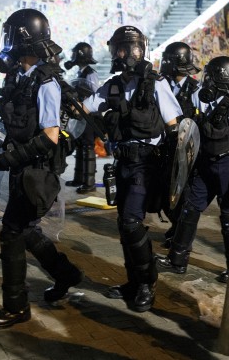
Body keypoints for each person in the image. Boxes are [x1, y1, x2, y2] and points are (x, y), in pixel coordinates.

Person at [0, 8, 83, 330]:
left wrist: (7, 159)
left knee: (12, 231)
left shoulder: (46, 82)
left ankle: (16, 307)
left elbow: (51, 136)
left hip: (37, 172)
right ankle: (66, 274)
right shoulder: (21, 77)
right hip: (22, 168)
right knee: (26, 230)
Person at [82, 25, 182, 312]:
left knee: (131, 222)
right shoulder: (112, 85)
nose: (125, 54)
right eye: (120, 49)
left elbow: (175, 126)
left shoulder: (156, 83)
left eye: (130, 48)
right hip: (123, 162)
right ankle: (132, 282)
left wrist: (171, 172)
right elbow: (84, 107)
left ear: (141, 50)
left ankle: (147, 284)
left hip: (146, 164)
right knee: (123, 224)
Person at [156, 55, 229, 284]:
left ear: (219, 79)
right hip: (205, 165)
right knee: (189, 209)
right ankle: (177, 260)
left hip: (227, 167)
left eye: (209, 77)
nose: (205, 80)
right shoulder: (202, 100)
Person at [158, 41, 202, 248]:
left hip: (185, 149)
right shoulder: (160, 84)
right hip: (163, 147)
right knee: (164, 192)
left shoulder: (195, 89)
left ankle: (180, 234)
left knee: (183, 193)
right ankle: (176, 226)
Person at [64, 42, 100, 193]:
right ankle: (79, 179)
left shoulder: (90, 73)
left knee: (87, 147)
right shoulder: (81, 72)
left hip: (89, 115)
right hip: (81, 114)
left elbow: (95, 93)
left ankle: (89, 183)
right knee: (80, 145)